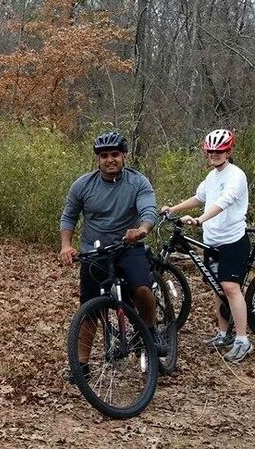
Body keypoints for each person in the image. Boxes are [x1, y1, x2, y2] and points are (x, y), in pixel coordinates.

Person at [59, 131, 166, 374]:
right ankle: (81, 366)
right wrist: (66, 245)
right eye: (104, 155)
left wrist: (141, 229)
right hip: (94, 252)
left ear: (123, 156)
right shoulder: (83, 185)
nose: (110, 160)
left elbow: (149, 210)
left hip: (128, 247)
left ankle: (149, 333)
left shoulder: (138, 182)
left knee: (141, 288)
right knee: (90, 308)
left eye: (115, 155)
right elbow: (69, 216)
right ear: (98, 159)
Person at [160, 129, 252, 362]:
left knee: (230, 287)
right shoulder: (212, 176)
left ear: (229, 152)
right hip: (212, 241)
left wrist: (200, 219)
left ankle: (243, 340)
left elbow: (224, 202)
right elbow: (200, 197)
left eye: (220, 151)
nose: (215, 155)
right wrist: (174, 208)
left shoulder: (236, 175)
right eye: (211, 151)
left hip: (232, 240)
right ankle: (224, 333)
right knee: (216, 287)